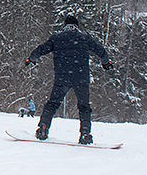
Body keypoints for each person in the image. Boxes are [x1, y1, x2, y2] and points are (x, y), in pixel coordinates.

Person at [24, 14, 112, 145]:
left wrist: (31, 59)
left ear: (65, 26)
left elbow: (41, 49)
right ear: (76, 26)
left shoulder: (57, 38)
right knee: (84, 107)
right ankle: (85, 134)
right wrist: (106, 63)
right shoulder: (84, 38)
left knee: (52, 104)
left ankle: (43, 128)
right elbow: (100, 51)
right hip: (81, 78)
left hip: (62, 78)